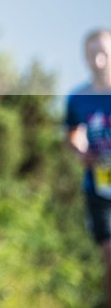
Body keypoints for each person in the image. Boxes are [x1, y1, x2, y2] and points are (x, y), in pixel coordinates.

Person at [66, 29, 111, 306]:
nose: (99, 60)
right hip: (99, 187)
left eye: (104, 52)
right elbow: (72, 133)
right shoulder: (78, 97)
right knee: (110, 256)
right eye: (93, 53)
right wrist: (79, 151)